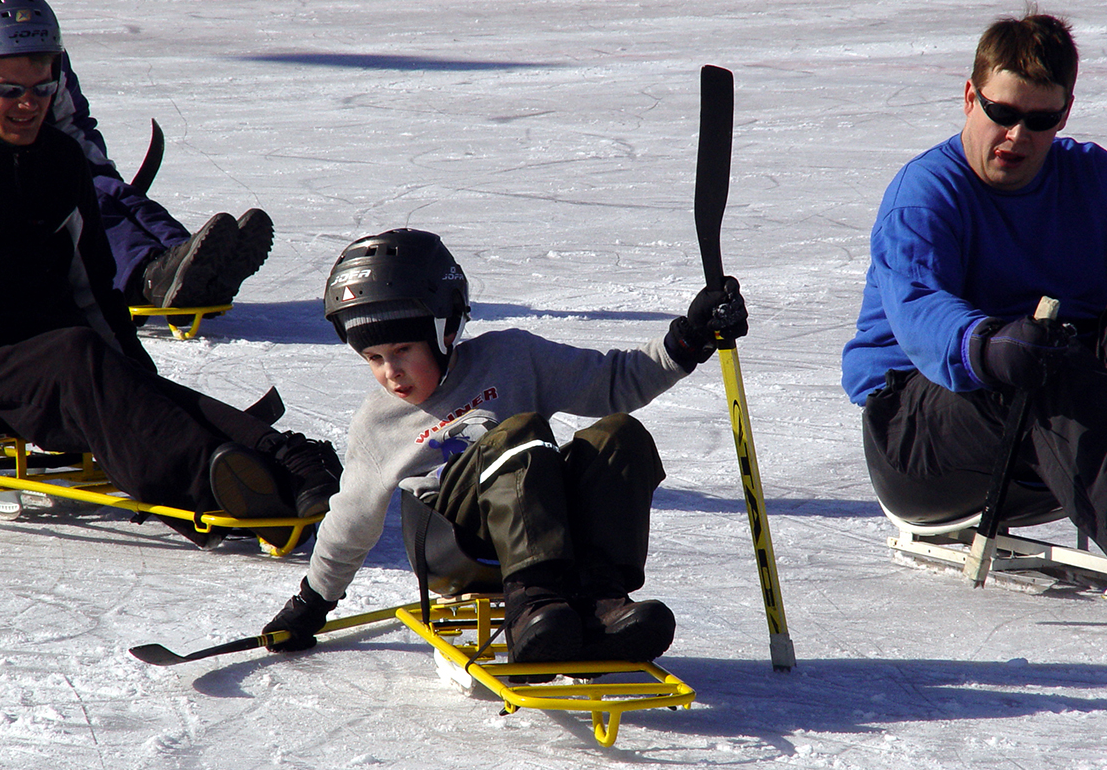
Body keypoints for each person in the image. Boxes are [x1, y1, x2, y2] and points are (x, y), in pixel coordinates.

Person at [262, 227, 748, 669]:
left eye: (404, 350)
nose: (391, 372)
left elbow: (612, 382)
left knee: (619, 436)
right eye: (374, 358)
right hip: (452, 544)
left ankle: (602, 600)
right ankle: (531, 602)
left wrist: (690, 339)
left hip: (546, 523)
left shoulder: (511, 358)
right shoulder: (377, 423)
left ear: (446, 330)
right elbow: (352, 522)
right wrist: (310, 604)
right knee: (519, 433)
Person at [841, 12, 1107, 598]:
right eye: (1002, 113)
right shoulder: (925, 194)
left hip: (1056, 432)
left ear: (1065, 113)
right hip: (920, 434)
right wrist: (986, 343)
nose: (1017, 136)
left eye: (1039, 120)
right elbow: (919, 307)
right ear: (971, 97)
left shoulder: (1094, 181)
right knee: (1041, 357)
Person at [0, 0, 339, 547]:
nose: (27, 104)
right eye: (9, 89)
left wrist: (136, 376)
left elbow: (94, 289)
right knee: (79, 356)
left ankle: (281, 458)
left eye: (41, 87)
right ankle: (215, 485)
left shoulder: (60, 161)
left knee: (109, 365)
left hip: (52, 357)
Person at [45, 20, 273, 310]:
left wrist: (103, 177)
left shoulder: (41, 41)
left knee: (116, 194)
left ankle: (187, 264)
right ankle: (145, 275)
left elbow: (71, 122)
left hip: (45, 164)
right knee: (86, 202)